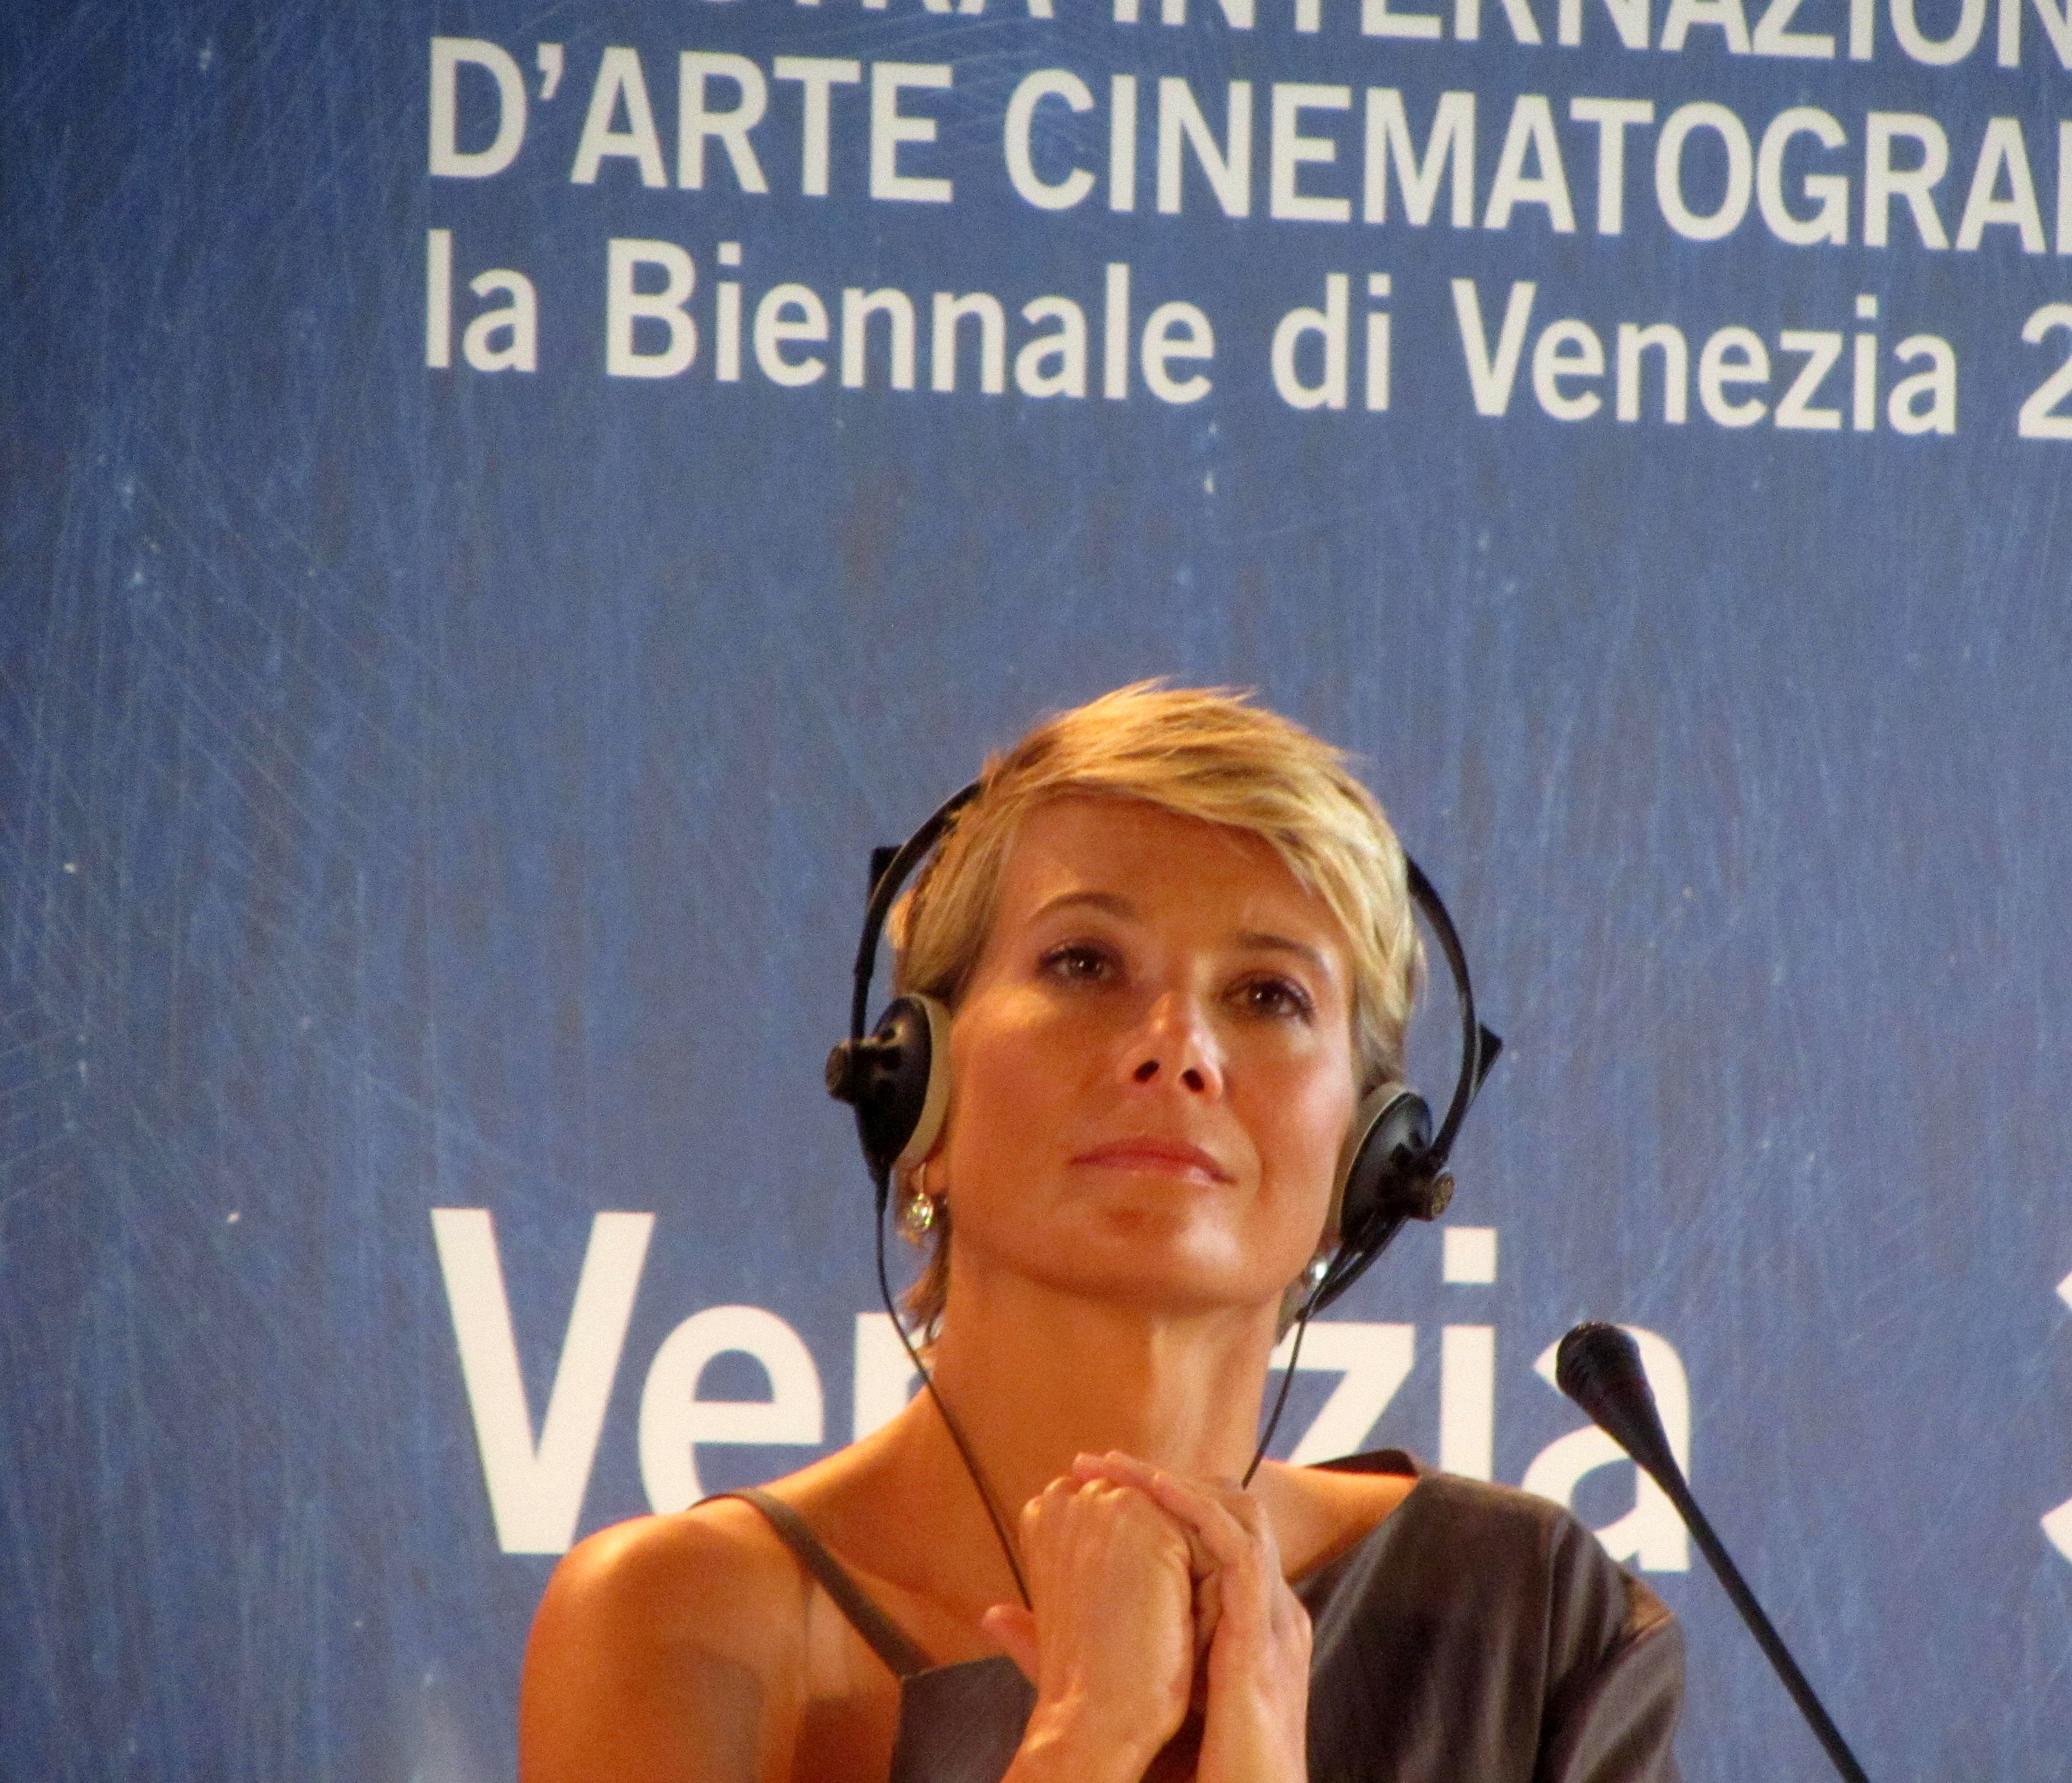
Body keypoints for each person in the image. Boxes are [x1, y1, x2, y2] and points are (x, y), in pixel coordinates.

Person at [519, 683, 1684, 1783]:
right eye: (1084, 963)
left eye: (1269, 994)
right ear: (918, 1092)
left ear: (1372, 1157)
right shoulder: (678, 1620)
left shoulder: (1528, 1620)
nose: (1178, 1047)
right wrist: (1085, 1733)